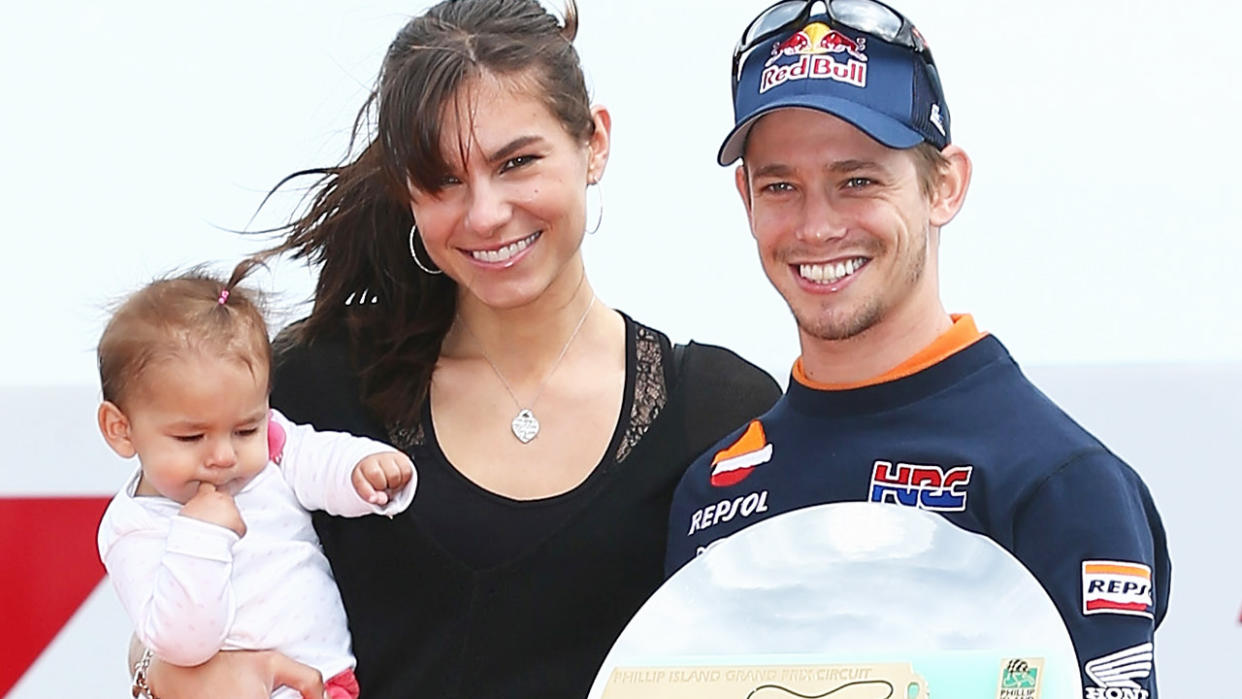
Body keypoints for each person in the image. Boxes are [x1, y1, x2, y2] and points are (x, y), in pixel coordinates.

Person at [138, 0, 781, 697]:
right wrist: (165, 674)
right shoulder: (314, 388)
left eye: (517, 162)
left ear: (594, 143)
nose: (484, 213)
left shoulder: (721, 412)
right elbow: (166, 604)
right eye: (444, 179)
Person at [664, 1, 1170, 696]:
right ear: (745, 197)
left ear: (945, 185)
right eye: (782, 185)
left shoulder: (1057, 480)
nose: (816, 227)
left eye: (858, 180)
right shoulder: (716, 488)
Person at [96, 267, 416, 699]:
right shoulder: (133, 527)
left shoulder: (272, 452)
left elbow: (318, 459)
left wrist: (365, 469)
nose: (224, 456)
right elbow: (181, 644)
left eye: (245, 429)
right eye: (191, 437)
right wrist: (201, 536)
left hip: (330, 679)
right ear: (120, 429)